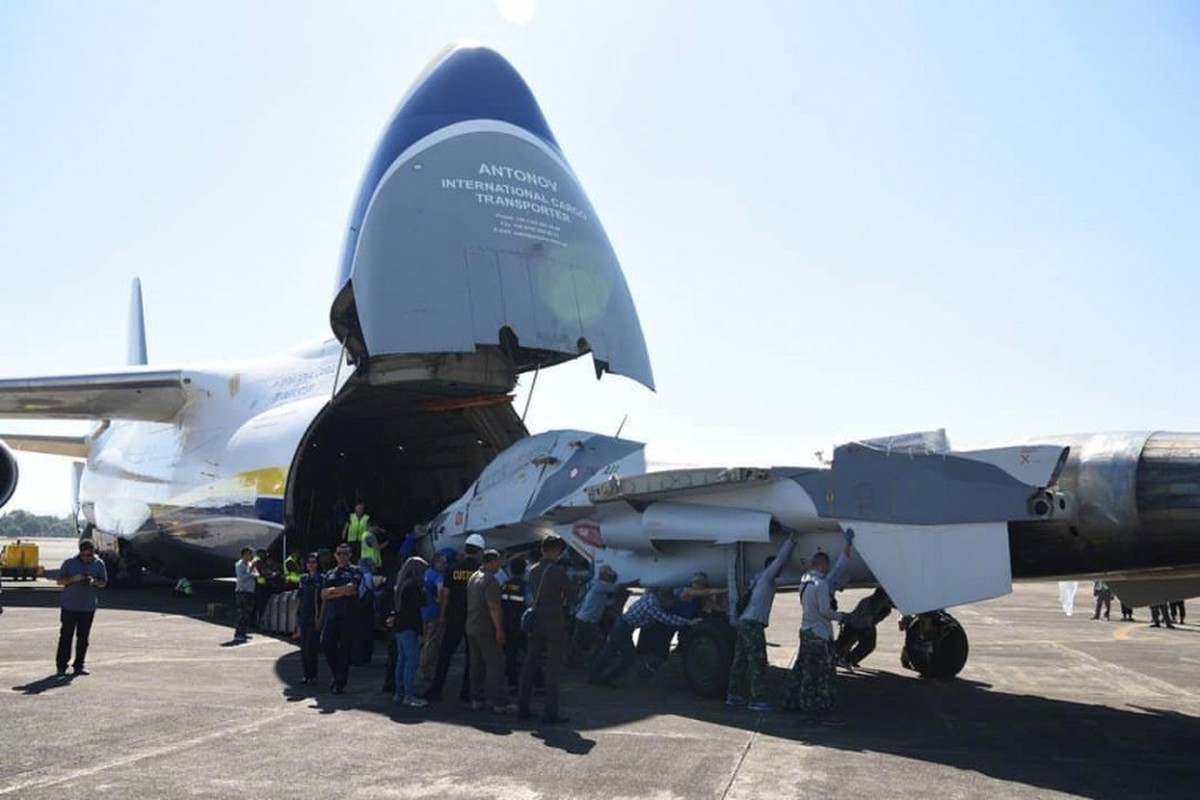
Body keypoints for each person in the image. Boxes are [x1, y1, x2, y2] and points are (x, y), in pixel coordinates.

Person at [784, 531, 853, 723]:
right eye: (827, 565)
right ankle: (818, 711)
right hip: (820, 635)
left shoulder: (805, 581)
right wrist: (843, 616)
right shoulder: (821, 584)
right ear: (822, 565)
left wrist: (847, 548)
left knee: (806, 671)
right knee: (823, 675)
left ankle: (798, 704)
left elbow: (838, 570)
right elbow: (825, 611)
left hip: (805, 632)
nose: (828, 568)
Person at [727, 533, 796, 711]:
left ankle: (733, 694)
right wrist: (790, 541)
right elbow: (780, 560)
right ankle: (757, 698)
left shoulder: (761, 581)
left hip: (745, 622)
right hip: (752, 624)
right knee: (758, 660)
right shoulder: (766, 578)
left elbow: (787, 579)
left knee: (740, 659)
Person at [590, 586, 701, 687]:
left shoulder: (650, 596)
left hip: (622, 624)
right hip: (624, 629)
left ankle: (594, 677)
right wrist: (688, 622)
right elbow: (666, 618)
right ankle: (607, 679)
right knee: (628, 658)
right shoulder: (652, 607)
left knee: (608, 652)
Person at [518, 535, 577, 724]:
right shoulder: (558, 571)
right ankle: (550, 713)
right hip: (554, 620)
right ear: (555, 551)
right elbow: (571, 594)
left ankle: (523, 708)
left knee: (530, 662)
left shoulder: (532, 571)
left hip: (536, 618)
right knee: (553, 666)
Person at [426, 534, 485, 702]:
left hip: (454, 617)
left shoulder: (453, 568)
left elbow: (445, 594)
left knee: (445, 654)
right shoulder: (480, 571)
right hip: (474, 617)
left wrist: (442, 616)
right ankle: (466, 693)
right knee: (471, 656)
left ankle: (436, 688)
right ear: (480, 551)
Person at [466, 550, 515, 713]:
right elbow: (493, 606)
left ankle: (476, 698)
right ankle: (500, 702)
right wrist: (499, 629)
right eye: (498, 562)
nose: (500, 565)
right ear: (493, 562)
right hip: (486, 627)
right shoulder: (490, 581)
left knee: (477, 665)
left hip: (471, 625)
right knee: (495, 664)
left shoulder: (473, 578)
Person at [55, 539, 108, 677]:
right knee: (66, 636)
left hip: (87, 607)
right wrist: (73, 579)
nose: (86, 558)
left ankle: (79, 665)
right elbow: (59, 581)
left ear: (93, 553)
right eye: (84, 555)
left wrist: (94, 581)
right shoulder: (69, 563)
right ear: (79, 553)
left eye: (89, 555)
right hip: (70, 606)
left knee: (83, 638)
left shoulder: (98, 564)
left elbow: (104, 582)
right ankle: (61, 665)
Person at [320, 543, 365, 694]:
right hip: (331, 615)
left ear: (350, 555)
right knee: (327, 647)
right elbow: (324, 594)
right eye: (339, 553)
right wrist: (339, 592)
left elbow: (352, 589)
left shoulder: (355, 570)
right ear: (335, 555)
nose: (342, 556)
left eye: (345, 553)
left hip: (348, 616)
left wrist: (333, 591)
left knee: (344, 650)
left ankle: (340, 683)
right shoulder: (330, 573)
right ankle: (336, 674)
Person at [570, 565, 630, 668]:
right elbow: (618, 587)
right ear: (603, 575)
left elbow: (606, 603)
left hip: (583, 618)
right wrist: (636, 582)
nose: (610, 579)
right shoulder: (601, 585)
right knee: (598, 641)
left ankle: (575, 661)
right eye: (609, 576)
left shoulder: (596, 584)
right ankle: (587, 661)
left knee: (579, 642)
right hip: (588, 620)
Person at [392, 556, 429, 707]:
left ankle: (399, 693)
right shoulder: (413, 587)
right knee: (412, 662)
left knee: (402, 661)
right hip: (409, 628)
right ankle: (409, 695)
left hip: (399, 627)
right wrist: (420, 633)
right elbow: (415, 613)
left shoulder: (401, 585)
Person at [834, 586, 894, 670]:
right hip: (856, 624)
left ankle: (850, 659)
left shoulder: (885, 608)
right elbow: (859, 618)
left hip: (864, 625)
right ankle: (843, 658)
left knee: (868, 645)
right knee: (845, 644)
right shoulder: (870, 603)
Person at [419, 549, 451, 682]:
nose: (445, 565)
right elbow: (441, 594)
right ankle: (427, 670)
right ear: (436, 562)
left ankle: (422, 667)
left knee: (423, 641)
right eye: (443, 563)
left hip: (423, 612)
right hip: (435, 613)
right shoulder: (439, 577)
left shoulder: (426, 573)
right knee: (432, 644)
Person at [500, 555, 529, 688]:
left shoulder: (505, 585)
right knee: (530, 654)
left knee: (510, 656)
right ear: (524, 570)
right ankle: (539, 682)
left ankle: (512, 684)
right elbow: (531, 604)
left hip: (507, 624)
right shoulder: (525, 586)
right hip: (522, 624)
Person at [295, 552, 323, 684]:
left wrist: (320, 618)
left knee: (312, 647)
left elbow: (323, 601)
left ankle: (313, 674)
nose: (311, 565)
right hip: (304, 616)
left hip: (315, 616)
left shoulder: (321, 579)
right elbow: (300, 599)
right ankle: (306, 674)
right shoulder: (303, 579)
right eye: (309, 563)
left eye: (313, 562)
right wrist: (298, 619)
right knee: (304, 647)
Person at [233, 546, 258, 643]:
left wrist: (252, 571)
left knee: (248, 613)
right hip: (242, 591)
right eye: (250, 554)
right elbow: (242, 577)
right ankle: (238, 633)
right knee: (242, 614)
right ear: (244, 555)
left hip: (250, 590)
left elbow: (256, 574)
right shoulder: (240, 565)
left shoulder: (250, 564)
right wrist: (251, 570)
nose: (252, 556)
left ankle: (244, 631)